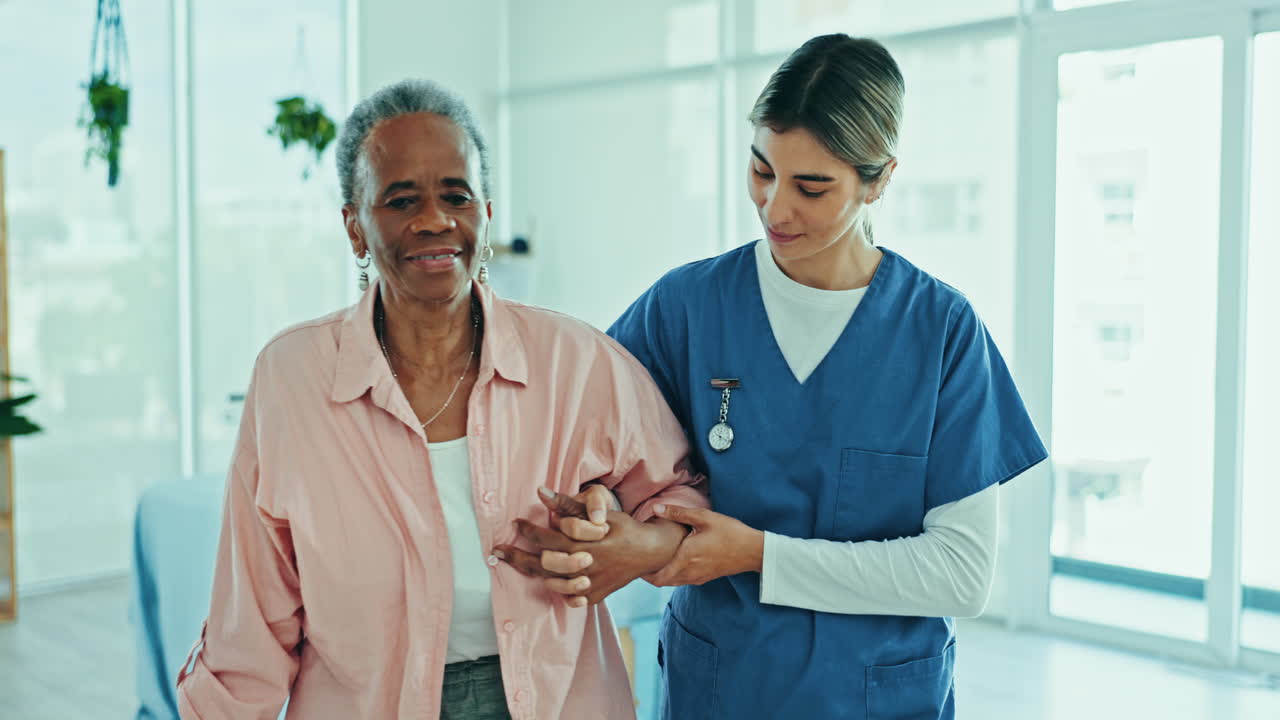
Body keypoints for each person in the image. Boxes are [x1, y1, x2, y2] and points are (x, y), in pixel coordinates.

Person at [507, 34, 1049, 719]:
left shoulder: (939, 332)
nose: (775, 209)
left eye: (812, 187)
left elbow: (962, 574)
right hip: (724, 687)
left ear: (878, 180)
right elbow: (595, 451)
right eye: (762, 171)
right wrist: (606, 521)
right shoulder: (687, 308)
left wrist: (758, 555)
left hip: (880, 696)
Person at [174, 78, 706, 720]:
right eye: (401, 201)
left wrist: (633, 543)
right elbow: (251, 620)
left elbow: (680, 493)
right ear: (355, 227)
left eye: (456, 196)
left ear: (485, 211)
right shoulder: (291, 378)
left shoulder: (577, 359)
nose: (434, 220)